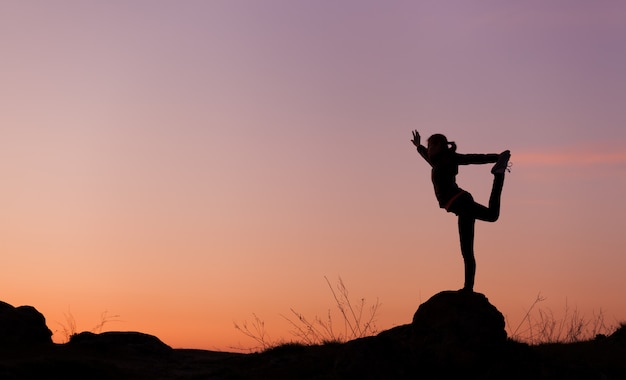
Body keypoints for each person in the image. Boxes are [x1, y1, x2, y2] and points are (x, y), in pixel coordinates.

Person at [411, 130, 511, 292]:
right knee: (466, 250)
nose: (428, 149)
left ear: (438, 145)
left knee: (492, 216)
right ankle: (468, 289)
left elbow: (472, 158)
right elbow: (426, 157)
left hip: (461, 202)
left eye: (430, 145)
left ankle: (498, 174)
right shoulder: (436, 162)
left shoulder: (450, 158)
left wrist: (497, 157)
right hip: (459, 207)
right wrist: (418, 146)